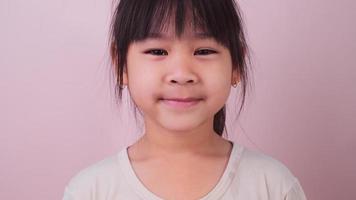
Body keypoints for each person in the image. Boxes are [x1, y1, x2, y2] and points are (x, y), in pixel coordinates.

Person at [62, 0, 307, 199]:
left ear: (236, 65)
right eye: (157, 51)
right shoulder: (91, 191)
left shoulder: (272, 186)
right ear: (121, 66)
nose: (181, 74)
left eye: (204, 51)